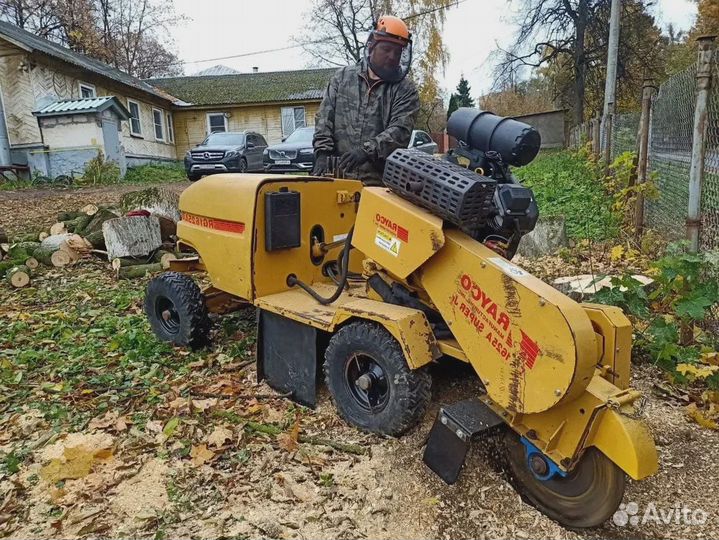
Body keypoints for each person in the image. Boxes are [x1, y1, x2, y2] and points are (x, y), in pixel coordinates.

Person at [312, 15, 420, 185]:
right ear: (372, 45)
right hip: (336, 179)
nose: (392, 56)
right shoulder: (342, 78)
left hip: (378, 184)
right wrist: (322, 153)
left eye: (397, 52)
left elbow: (400, 131)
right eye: (386, 49)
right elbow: (324, 119)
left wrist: (366, 151)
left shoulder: (405, 90)